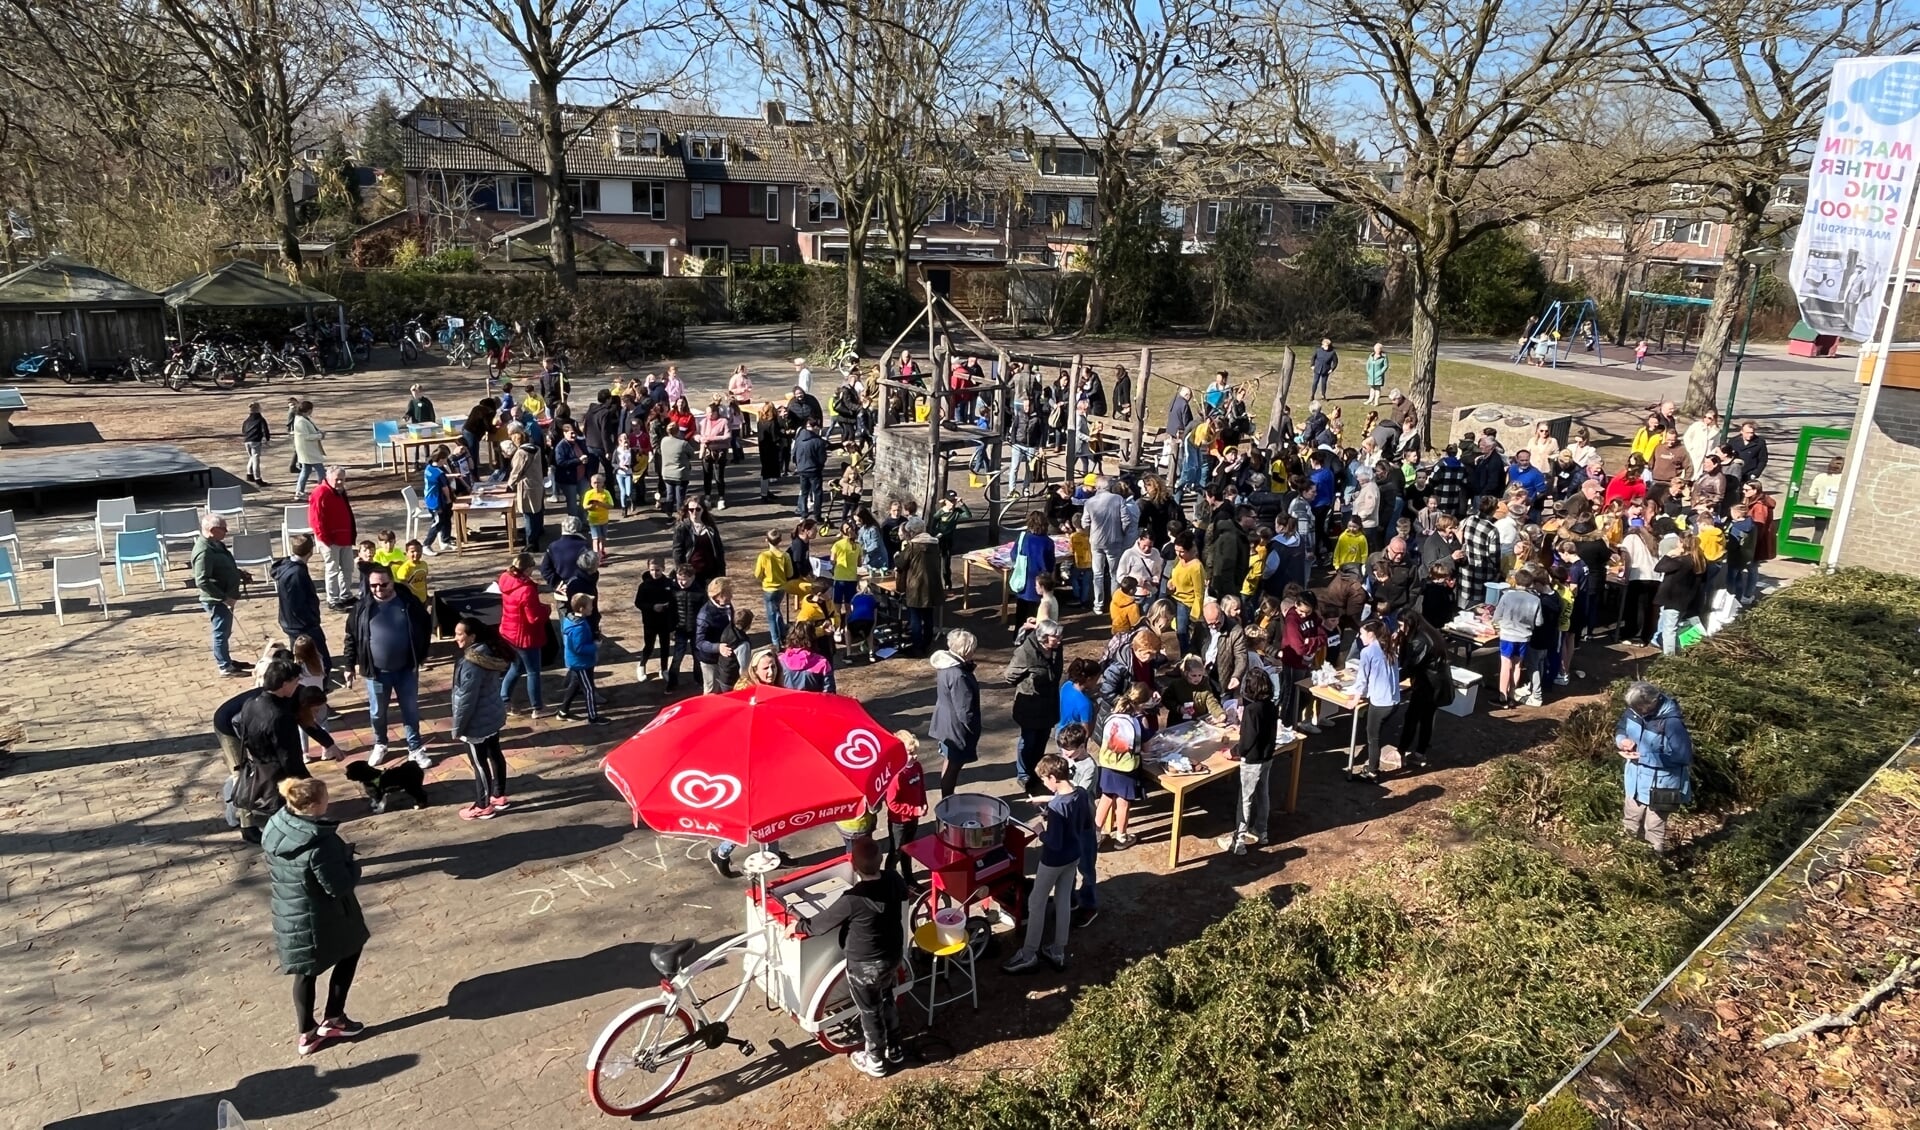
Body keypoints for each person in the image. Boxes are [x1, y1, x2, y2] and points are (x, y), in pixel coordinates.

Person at [262, 776, 369, 1056]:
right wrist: (350, 864)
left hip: (289, 911)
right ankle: (334, 1018)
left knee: (304, 971)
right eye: (325, 798)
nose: (329, 801)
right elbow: (338, 886)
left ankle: (306, 1033)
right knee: (351, 950)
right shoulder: (321, 844)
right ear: (314, 805)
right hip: (323, 915)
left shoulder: (276, 824)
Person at [791, 837, 908, 1077]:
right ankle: (895, 1048)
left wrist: (796, 925)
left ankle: (875, 1059)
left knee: (870, 1010)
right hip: (892, 955)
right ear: (881, 860)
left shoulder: (852, 899)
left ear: (854, 866)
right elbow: (903, 895)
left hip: (864, 966)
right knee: (887, 998)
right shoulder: (894, 879)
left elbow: (817, 926)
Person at [1003, 754, 1093, 975]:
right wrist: (1046, 803)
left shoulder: (1057, 808)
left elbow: (1054, 842)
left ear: (1053, 778)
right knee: (1063, 901)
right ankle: (1058, 949)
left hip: (1053, 861)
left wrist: (1040, 831)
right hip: (1074, 855)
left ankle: (1028, 953)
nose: (1044, 783)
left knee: (1036, 903)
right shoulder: (1080, 793)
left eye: (1045, 780)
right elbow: (1081, 821)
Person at [340, 562, 433, 768]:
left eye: (383, 584)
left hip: (406, 669)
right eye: (373, 585)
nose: (378, 589)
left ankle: (415, 747)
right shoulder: (361, 608)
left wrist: (422, 654)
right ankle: (380, 743)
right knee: (377, 712)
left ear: (392, 581)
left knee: (410, 710)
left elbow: (426, 626)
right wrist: (349, 666)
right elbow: (351, 638)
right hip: (376, 673)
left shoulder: (409, 602)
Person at [1616, 681, 1694, 853]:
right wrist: (1622, 741)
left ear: (1651, 704)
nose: (1635, 712)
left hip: (1662, 787)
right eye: (1633, 709)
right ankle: (1627, 858)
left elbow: (1683, 756)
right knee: (1630, 821)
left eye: (1639, 709)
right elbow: (1621, 728)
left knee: (1654, 830)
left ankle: (1652, 864)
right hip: (1634, 781)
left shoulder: (1672, 723)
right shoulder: (1634, 711)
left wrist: (1644, 757)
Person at [449, 616, 512, 820]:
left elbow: (465, 700)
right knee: (495, 754)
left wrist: (458, 728)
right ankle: (499, 795)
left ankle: (483, 805)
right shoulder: (489, 652)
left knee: (479, 763)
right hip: (492, 715)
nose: (455, 638)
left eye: (459, 634)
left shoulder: (470, 664)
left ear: (472, 636)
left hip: (476, 723)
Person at [1217, 668, 1278, 854]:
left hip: (1252, 761)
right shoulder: (1271, 706)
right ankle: (1261, 831)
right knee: (1263, 794)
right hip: (1267, 757)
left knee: (1245, 800)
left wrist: (1233, 752)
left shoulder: (1252, 711)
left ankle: (1238, 842)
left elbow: (1247, 741)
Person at [1005, 618, 1063, 792]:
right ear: (1044, 638)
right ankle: (1023, 774)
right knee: (1028, 740)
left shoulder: (1056, 649)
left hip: (1049, 703)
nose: (1059, 640)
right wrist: (1029, 683)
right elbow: (1009, 676)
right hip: (1030, 706)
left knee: (1042, 739)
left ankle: (1037, 771)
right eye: (1056, 637)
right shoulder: (1025, 653)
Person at [191, 514, 252, 677]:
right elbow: (202, 580)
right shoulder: (204, 551)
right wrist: (224, 598)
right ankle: (224, 666)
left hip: (226, 596)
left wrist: (238, 574)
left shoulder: (217, 544)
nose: (226, 531)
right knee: (221, 632)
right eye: (223, 529)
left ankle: (226, 658)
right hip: (217, 599)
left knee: (225, 631)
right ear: (212, 530)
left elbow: (225, 565)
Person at [1351, 618, 1405, 781]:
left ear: (1371, 634)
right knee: (1377, 732)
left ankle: (1372, 772)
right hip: (1394, 700)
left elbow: (1362, 679)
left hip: (1380, 702)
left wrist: (1355, 699)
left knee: (1372, 737)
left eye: (1361, 634)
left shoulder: (1367, 652)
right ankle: (1373, 767)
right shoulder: (1389, 648)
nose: (1359, 637)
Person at [929, 629, 981, 796]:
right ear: (966, 650)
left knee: (949, 760)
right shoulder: (959, 675)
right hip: (955, 729)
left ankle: (946, 797)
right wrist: (974, 729)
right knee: (953, 766)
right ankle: (947, 800)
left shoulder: (946, 666)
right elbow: (965, 711)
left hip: (944, 722)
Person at [497, 554, 549, 716]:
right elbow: (534, 618)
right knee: (533, 671)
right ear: (527, 569)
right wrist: (546, 609)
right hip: (525, 636)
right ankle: (538, 707)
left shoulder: (506, 579)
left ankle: (504, 699)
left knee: (516, 667)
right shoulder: (526, 590)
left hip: (509, 632)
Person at [1491, 566, 1542, 709]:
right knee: (1517, 666)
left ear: (1515, 581)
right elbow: (1538, 622)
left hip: (1508, 635)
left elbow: (1496, 617)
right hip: (1524, 637)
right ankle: (1512, 695)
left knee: (1506, 665)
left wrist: (1498, 624)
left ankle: (1503, 697)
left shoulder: (1507, 596)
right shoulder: (1535, 599)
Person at [307, 466, 358, 610]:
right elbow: (315, 519)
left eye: (342, 479)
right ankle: (333, 599)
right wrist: (325, 538)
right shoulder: (320, 492)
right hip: (330, 540)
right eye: (337, 479)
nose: (340, 482)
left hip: (345, 537)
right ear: (328, 478)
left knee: (347, 568)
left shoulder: (340, 492)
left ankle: (345, 595)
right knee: (333, 569)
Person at [557, 592, 607, 724]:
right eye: (590, 606)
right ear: (582, 609)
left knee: (574, 685)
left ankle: (563, 711)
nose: (592, 608)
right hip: (581, 663)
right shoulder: (578, 627)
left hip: (578, 662)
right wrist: (595, 646)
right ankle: (593, 717)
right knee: (589, 689)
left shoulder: (575, 620)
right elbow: (578, 648)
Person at [893, 518, 941, 655]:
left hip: (916, 586)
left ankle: (917, 647)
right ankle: (927, 643)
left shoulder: (912, 547)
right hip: (932, 585)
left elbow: (901, 563)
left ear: (913, 532)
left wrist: (897, 556)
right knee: (928, 616)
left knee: (915, 618)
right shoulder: (934, 544)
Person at [1654, 530, 1705, 655]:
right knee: (1674, 627)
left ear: (1681, 544)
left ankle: (1669, 657)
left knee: (1669, 630)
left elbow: (1659, 568)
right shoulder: (1698, 561)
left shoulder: (1680, 561)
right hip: (1686, 600)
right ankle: (1676, 651)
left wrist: (1669, 555)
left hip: (1673, 599)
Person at [1009, 509, 1055, 624]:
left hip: (1024, 581)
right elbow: (1050, 564)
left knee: (1021, 615)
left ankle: (1018, 638)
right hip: (1040, 582)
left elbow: (1014, 555)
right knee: (1037, 615)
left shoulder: (1023, 537)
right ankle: (1034, 638)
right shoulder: (1048, 542)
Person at [672, 497, 726, 593]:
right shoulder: (682, 528)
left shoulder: (710, 528)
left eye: (697, 509)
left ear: (703, 510)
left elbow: (719, 550)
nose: (694, 512)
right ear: (687, 510)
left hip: (710, 573)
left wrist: (722, 574)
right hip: (691, 574)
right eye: (691, 509)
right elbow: (677, 552)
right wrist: (681, 573)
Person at [694, 578, 737, 694]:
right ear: (718, 595)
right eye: (728, 593)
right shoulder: (705, 615)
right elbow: (699, 642)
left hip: (725, 657)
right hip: (710, 660)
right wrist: (718, 647)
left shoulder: (727, 606)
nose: (731, 596)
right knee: (712, 691)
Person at [791, 420, 827, 521]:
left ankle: (803, 513)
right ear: (815, 427)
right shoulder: (818, 441)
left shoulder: (799, 439)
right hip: (814, 470)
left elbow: (794, 454)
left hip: (802, 469)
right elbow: (822, 458)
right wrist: (820, 466)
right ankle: (817, 514)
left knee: (804, 492)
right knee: (817, 492)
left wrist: (798, 465)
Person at [290, 400, 327, 498]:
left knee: (306, 471)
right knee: (321, 471)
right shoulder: (301, 421)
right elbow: (306, 436)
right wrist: (319, 435)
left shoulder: (302, 419)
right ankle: (322, 490)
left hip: (307, 450)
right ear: (308, 410)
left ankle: (299, 491)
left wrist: (318, 433)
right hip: (308, 450)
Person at [582, 473, 614, 560]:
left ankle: (602, 550)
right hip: (593, 520)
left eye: (599, 482)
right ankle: (596, 556)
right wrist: (592, 506)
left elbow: (611, 506)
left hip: (604, 519)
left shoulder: (606, 493)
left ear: (603, 483)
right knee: (596, 538)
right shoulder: (589, 494)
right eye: (595, 483)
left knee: (603, 537)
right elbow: (584, 506)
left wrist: (600, 504)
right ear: (591, 484)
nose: (597, 485)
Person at [1727, 420, 1768, 485]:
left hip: (1749, 474)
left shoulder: (1760, 442)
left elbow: (1763, 460)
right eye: (1747, 433)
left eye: (1752, 433)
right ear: (1741, 431)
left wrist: (1756, 473)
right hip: (1734, 473)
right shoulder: (1733, 441)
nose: (1750, 435)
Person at [242, 400, 270, 485]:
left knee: (251, 457)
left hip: (247, 440)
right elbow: (265, 430)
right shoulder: (260, 419)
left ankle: (249, 474)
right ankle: (258, 478)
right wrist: (267, 439)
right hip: (255, 441)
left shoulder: (247, 420)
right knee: (256, 460)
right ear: (258, 409)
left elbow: (243, 430)